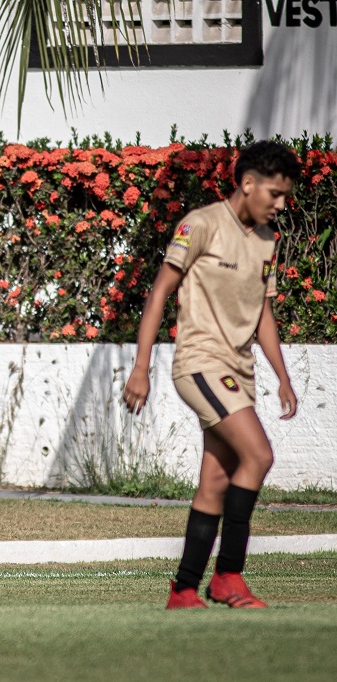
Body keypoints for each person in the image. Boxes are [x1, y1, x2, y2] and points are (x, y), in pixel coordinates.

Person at [123, 141, 301, 609]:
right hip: (199, 364)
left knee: (216, 482)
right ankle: (228, 576)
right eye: (276, 193)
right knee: (258, 455)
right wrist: (141, 368)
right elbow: (160, 292)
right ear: (247, 184)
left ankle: (183, 590)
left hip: (238, 372)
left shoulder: (265, 240)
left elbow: (262, 311)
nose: (281, 204)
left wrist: (281, 376)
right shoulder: (200, 224)